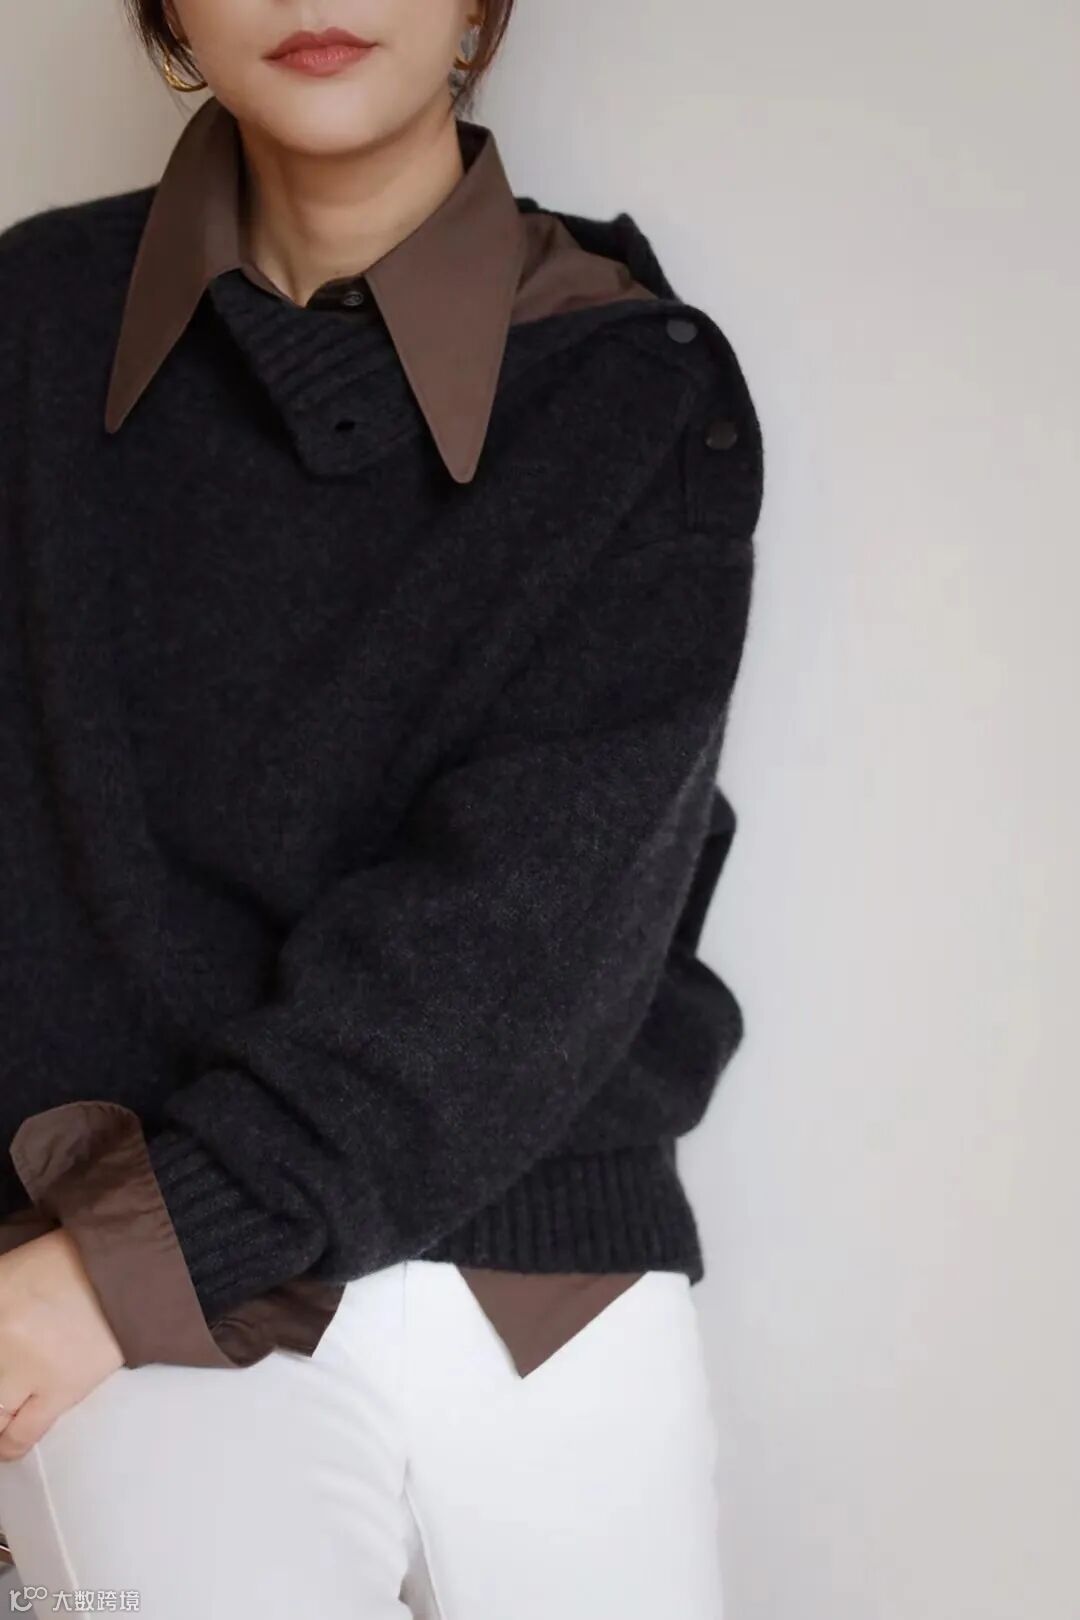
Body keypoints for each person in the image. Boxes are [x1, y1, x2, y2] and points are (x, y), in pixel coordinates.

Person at [0, 2, 765, 1615]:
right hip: (121, 1274)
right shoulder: (26, 331)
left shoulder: (633, 383)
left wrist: (134, 1257)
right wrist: (96, 1273)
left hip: (531, 1254)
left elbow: (529, 934)